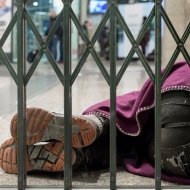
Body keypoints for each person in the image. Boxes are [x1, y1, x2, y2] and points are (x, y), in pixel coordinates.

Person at [1, 61, 190, 185]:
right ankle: (81, 153)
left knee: (135, 112)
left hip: (176, 99)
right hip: (179, 161)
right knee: (137, 144)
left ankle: (95, 126)